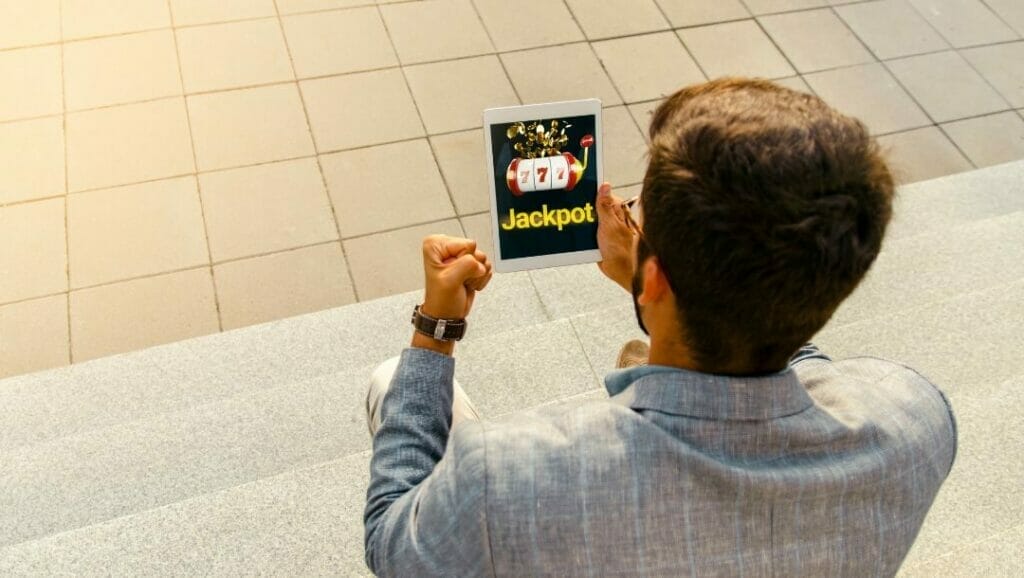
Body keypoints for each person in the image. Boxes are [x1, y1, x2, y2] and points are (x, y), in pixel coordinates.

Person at [362, 78, 957, 577]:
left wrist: (436, 329)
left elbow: (392, 540)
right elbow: (791, 340)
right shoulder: (915, 418)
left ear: (655, 277)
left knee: (394, 381)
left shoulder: (505, 479)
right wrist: (654, 280)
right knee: (639, 352)